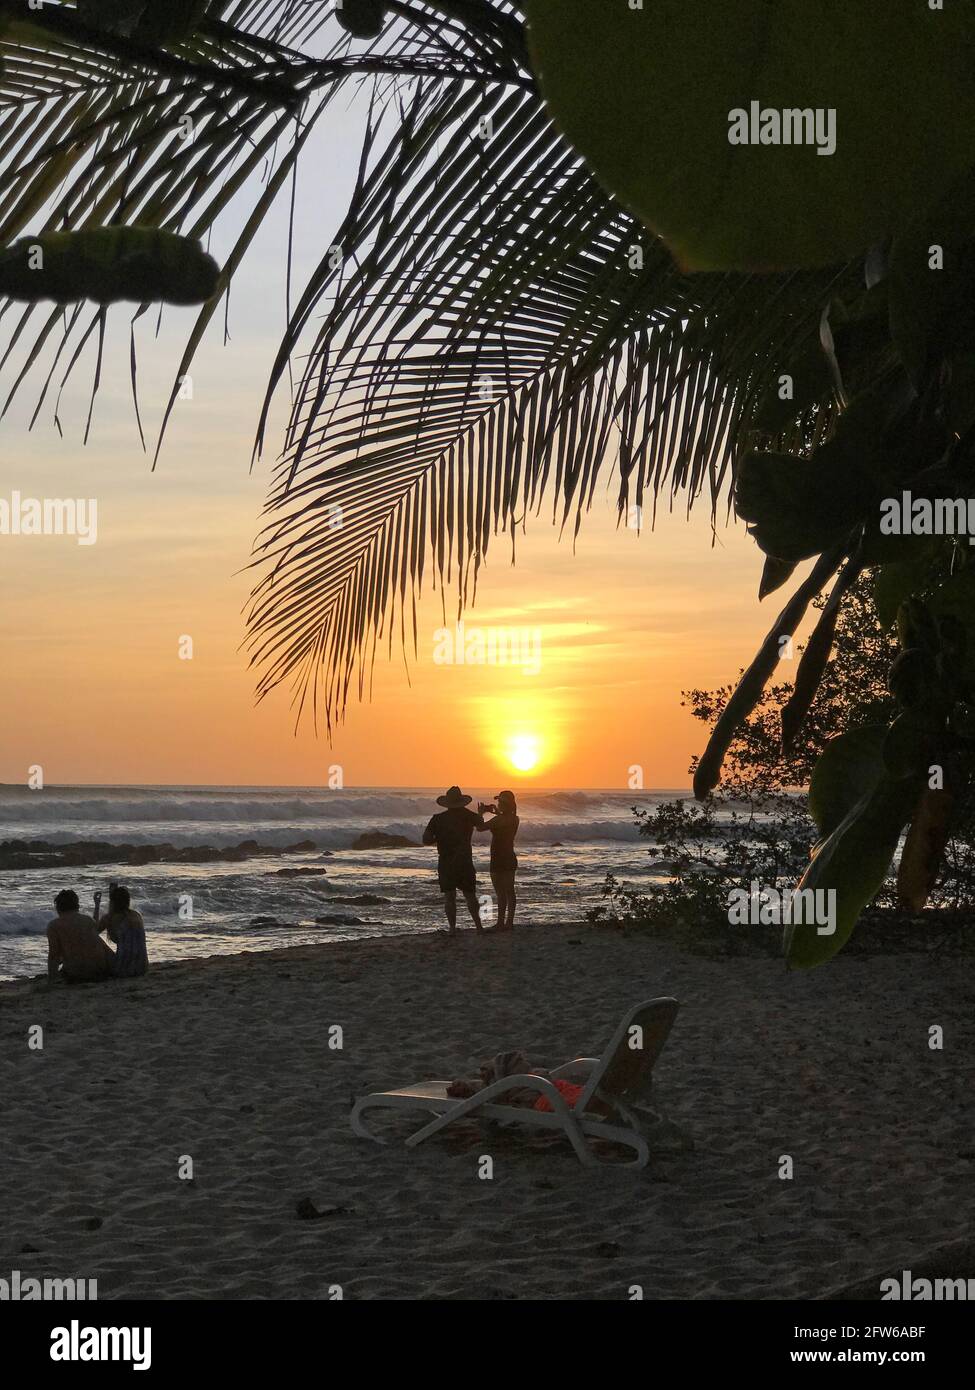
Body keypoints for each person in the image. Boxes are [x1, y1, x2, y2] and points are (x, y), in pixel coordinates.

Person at [422, 786, 485, 934]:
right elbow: (481, 825)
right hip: (464, 861)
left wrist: (438, 839)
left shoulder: (437, 819)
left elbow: (425, 839)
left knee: (449, 897)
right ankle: (479, 927)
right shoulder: (469, 816)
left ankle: (452, 928)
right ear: (461, 801)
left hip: (446, 862)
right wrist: (481, 813)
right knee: (470, 896)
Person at [46, 889, 114, 984]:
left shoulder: (54, 925)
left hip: (77, 974)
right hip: (100, 972)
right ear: (77, 906)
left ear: (58, 907)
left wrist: (52, 977)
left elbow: (54, 955)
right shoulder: (87, 920)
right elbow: (94, 930)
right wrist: (97, 905)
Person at [477, 790, 520, 931]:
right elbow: (504, 820)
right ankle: (509, 922)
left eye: (500, 802)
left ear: (505, 804)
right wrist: (496, 812)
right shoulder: (515, 819)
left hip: (498, 857)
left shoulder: (498, 820)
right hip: (509, 855)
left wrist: (480, 814)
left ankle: (500, 923)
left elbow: (480, 827)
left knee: (500, 892)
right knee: (509, 891)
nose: (498, 804)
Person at [95, 883, 148, 978]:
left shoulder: (110, 918)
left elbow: (93, 931)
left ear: (113, 902)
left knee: (96, 940)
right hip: (142, 967)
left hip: (123, 969)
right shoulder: (136, 915)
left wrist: (97, 905)